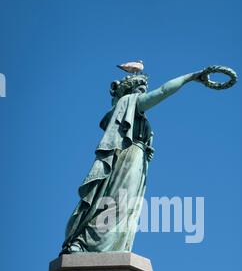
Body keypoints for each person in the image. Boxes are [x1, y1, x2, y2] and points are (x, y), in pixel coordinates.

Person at [60, 70, 202, 254]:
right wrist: (188, 78)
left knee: (127, 207)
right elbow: (162, 92)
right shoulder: (129, 102)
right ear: (130, 91)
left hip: (137, 160)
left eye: (144, 89)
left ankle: (110, 247)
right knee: (118, 202)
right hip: (129, 156)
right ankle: (86, 242)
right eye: (140, 88)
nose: (143, 92)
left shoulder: (136, 112)